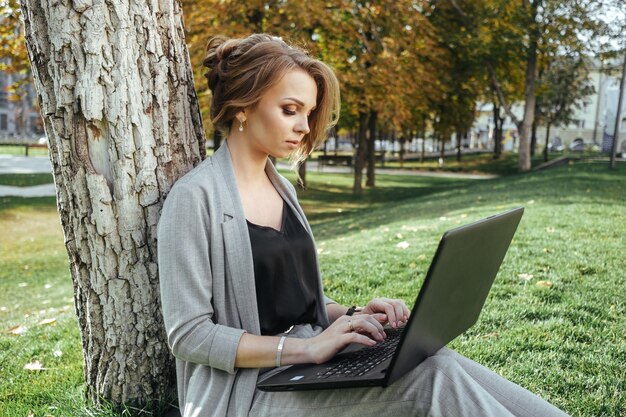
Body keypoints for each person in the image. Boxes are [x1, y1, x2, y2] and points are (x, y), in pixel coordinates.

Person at [157, 33, 569, 417]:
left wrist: (352, 316)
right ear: (243, 106)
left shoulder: (282, 189)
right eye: (290, 110)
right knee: (431, 380)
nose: (303, 127)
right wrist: (307, 350)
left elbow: (294, 303)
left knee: (433, 357)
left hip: (303, 362)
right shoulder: (195, 198)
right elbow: (189, 335)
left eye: (309, 112)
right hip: (247, 393)